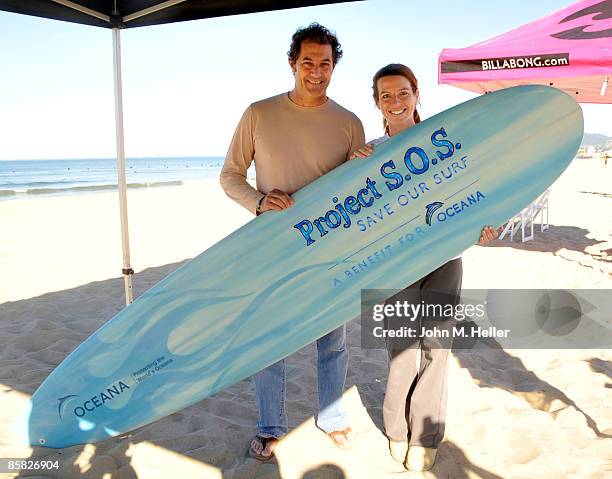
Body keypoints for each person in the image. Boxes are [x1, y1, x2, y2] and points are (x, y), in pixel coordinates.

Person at [220, 23, 365, 462]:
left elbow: (360, 191)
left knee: (332, 341)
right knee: (270, 340)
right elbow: (229, 175)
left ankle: (331, 416)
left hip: (331, 251)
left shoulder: (349, 123)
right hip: (273, 250)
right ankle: (269, 427)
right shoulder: (258, 113)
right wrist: (260, 201)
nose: (316, 71)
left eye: (325, 63)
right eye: (308, 63)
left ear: (333, 66)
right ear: (292, 63)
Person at [351, 63, 498, 471]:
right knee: (401, 351)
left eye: (403, 93)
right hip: (394, 263)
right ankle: (397, 430)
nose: (396, 102)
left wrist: (487, 225)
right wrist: (355, 164)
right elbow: (357, 213)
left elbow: (477, 184)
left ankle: (426, 435)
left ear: (417, 95)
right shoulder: (370, 153)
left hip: (444, 258)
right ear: (377, 103)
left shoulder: (445, 139)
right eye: (386, 95)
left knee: (436, 349)